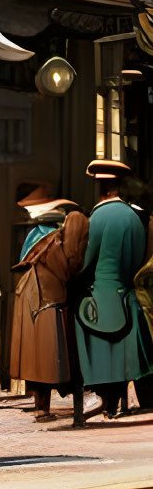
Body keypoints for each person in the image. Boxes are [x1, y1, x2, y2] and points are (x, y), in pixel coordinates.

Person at [76, 159, 153, 418]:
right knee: (126, 354)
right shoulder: (134, 217)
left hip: (101, 295)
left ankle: (103, 400)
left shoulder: (97, 217)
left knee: (99, 349)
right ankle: (119, 401)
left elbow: (87, 261)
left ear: (99, 186)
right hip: (127, 295)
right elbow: (141, 256)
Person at [8, 185, 89, 424]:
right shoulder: (52, 242)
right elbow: (69, 266)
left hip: (41, 299)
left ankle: (42, 405)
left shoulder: (49, 239)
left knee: (43, 354)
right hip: (42, 300)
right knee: (43, 354)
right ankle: (42, 406)